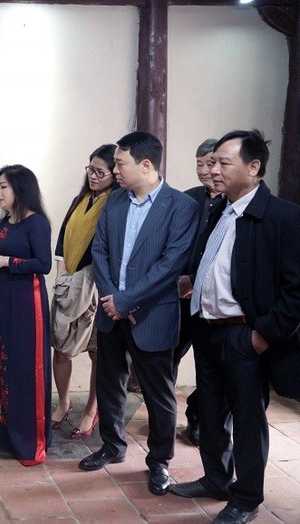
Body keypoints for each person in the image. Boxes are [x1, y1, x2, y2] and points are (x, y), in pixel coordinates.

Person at [169, 129, 300, 524]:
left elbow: (296, 290)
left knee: (246, 420)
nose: (213, 170)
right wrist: (195, 282)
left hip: (245, 336)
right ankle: (215, 479)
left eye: (224, 163)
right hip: (208, 329)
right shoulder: (220, 210)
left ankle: (245, 497)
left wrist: (262, 336)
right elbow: (222, 264)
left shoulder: (283, 217)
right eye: (211, 163)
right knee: (208, 412)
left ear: (254, 167)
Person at [79, 131, 198, 497]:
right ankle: (112, 446)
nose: (114, 170)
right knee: (109, 383)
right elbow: (99, 251)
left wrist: (128, 301)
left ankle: (159, 461)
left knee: (158, 394)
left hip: (153, 314)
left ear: (146, 165)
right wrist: (114, 299)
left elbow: (171, 264)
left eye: (120, 163)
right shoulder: (114, 201)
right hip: (112, 312)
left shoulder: (181, 206)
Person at [0, 164, 52, 466]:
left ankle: (30, 441)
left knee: (27, 367)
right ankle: (7, 432)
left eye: (4, 187)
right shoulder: (6, 221)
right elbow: (4, 257)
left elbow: (43, 264)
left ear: (20, 189)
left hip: (28, 301)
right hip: (4, 295)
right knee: (5, 360)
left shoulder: (36, 223)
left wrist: (6, 261)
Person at [51, 144, 117, 438]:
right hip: (69, 285)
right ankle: (64, 401)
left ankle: (91, 409)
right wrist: (62, 275)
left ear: (115, 175)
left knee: (96, 353)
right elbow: (63, 238)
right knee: (61, 348)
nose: (93, 175)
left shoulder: (116, 204)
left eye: (100, 171)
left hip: (98, 290)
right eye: (90, 169)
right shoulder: (81, 199)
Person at [174, 138, 225, 446]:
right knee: (169, 359)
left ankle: (197, 415)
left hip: (213, 302)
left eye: (211, 163)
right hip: (180, 299)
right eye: (199, 164)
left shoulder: (233, 203)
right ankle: (163, 419)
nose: (205, 171)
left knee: (213, 368)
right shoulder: (187, 199)